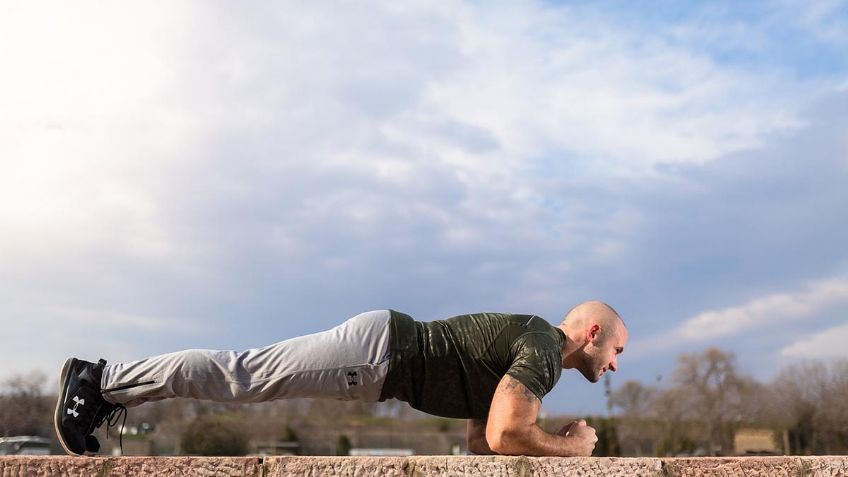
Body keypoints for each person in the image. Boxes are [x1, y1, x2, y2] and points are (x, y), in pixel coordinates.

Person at [54, 300, 627, 457]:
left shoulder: (532, 348)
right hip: (380, 355)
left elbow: (484, 440)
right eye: (617, 350)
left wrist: (537, 439)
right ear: (593, 332)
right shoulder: (543, 350)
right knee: (243, 375)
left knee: (244, 374)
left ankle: (104, 383)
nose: (616, 365)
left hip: (382, 352)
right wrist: (572, 448)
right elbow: (506, 435)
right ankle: (101, 381)